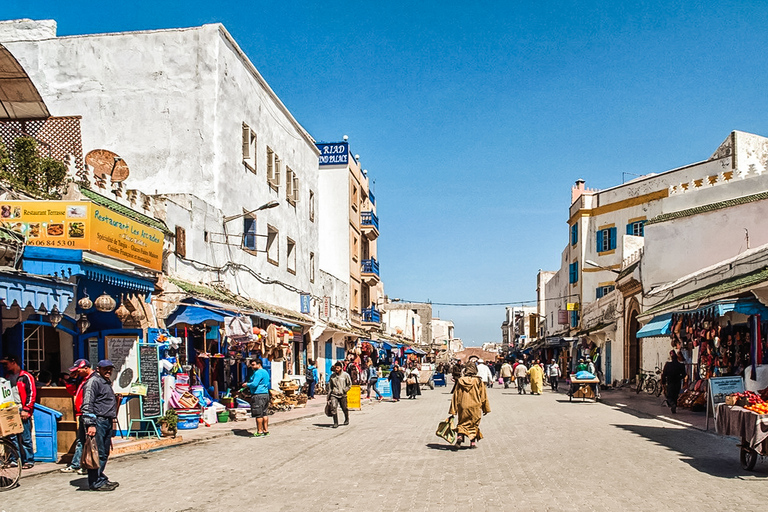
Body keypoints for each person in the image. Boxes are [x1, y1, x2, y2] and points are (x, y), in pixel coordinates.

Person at [81, 360, 118, 491]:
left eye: (110, 369)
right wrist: (90, 423)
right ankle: (95, 482)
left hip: (106, 421)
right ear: (98, 369)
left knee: (103, 453)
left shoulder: (105, 381)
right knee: (97, 453)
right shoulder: (93, 382)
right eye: (105, 369)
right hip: (98, 422)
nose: (108, 371)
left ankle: (100, 478)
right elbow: (87, 404)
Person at [1, 355, 36, 469]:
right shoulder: (7, 377)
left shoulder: (25, 376)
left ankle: (28, 460)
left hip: (22, 408)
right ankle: (14, 459)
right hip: (10, 408)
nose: (5, 366)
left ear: (13, 362)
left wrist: (27, 409)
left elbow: (31, 393)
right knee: (11, 436)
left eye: (6, 363)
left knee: (25, 436)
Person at [60, 359, 95, 474]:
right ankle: (76, 464)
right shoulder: (81, 379)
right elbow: (72, 391)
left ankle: (88, 465)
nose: (77, 372)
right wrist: (71, 379)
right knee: (81, 440)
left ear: (86, 368)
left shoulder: (93, 380)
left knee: (88, 441)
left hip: (89, 413)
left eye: (78, 370)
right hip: (81, 413)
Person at [449, 361, 490, 449]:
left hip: (463, 405)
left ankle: (460, 437)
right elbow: (483, 396)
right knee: (473, 424)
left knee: (462, 423)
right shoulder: (478, 381)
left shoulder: (460, 381)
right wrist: (485, 408)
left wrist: (453, 409)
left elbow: (456, 395)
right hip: (475, 405)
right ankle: (472, 443)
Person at [243, 358, 271, 437]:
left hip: (258, 395)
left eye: (253, 365)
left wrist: (247, 385)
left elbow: (254, 384)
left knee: (258, 414)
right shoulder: (265, 372)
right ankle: (266, 430)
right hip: (265, 394)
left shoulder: (258, 372)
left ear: (259, 364)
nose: (252, 366)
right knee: (265, 413)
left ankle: (259, 431)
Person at [327, 362, 352, 428]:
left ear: (341, 368)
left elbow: (349, 385)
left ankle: (346, 418)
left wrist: (344, 390)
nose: (336, 369)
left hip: (342, 395)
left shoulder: (345, 375)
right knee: (333, 407)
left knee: (344, 408)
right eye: (336, 368)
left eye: (338, 368)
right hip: (334, 394)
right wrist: (328, 396)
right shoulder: (332, 376)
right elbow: (330, 387)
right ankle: (335, 423)